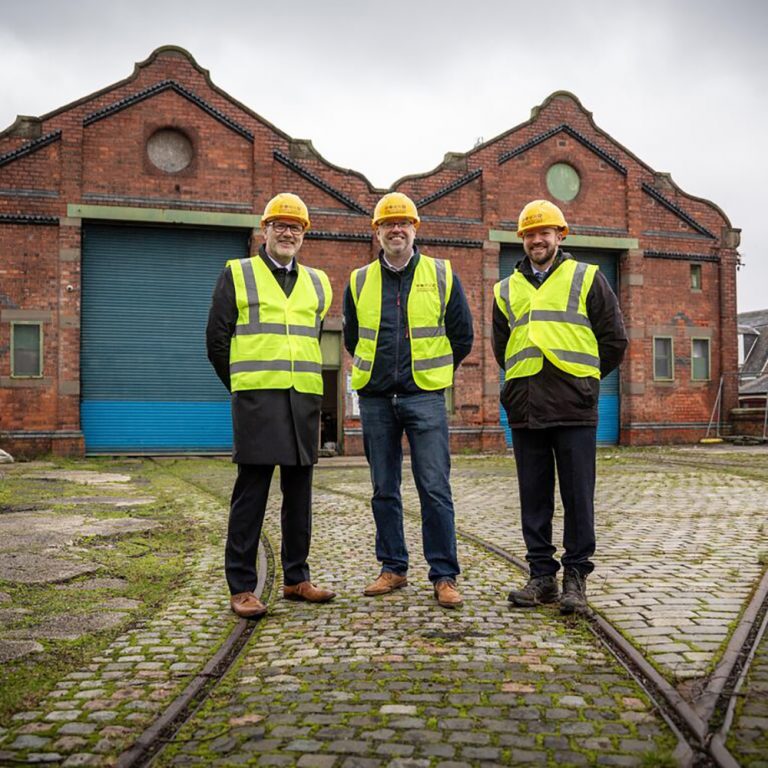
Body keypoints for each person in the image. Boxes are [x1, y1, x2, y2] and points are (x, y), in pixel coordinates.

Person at [492, 200, 627, 614]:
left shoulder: (586, 277)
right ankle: (542, 577)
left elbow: (614, 340)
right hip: (526, 406)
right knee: (533, 498)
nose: (537, 240)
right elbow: (503, 349)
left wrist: (585, 380)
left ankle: (575, 578)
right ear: (522, 239)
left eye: (544, 232)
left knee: (577, 497)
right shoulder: (505, 289)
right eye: (530, 234)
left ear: (560, 235)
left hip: (574, 406)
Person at [206, 192, 336, 618]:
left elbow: (313, 337)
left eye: (295, 227)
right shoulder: (238, 273)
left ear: (304, 235)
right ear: (265, 230)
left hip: (303, 399)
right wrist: (242, 386)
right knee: (252, 495)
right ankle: (242, 586)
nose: (287, 233)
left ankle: (297, 578)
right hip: (257, 400)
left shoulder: (318, 282)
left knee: (299, 496)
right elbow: (216, 341)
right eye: (280, 225)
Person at [343, 192, 474, 609]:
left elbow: (462, 335)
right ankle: (393, 567)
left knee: (434, 487)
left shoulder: (441, 274)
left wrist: (434, 375)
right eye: (388, 223)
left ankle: (444, 575)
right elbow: (352, 338)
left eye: (403, 223)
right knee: (384, 488)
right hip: (377, 397)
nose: (396, 229)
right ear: (377, 231)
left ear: (415, 229)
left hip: (424, 396)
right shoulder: (358, 280)